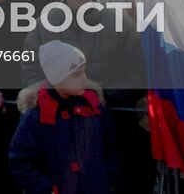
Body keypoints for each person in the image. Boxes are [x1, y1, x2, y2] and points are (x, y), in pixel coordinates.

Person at [9, 40, 118, 194]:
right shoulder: (36, 117)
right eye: (77, 75)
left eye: (84, 72)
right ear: (57, 79)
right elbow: (21, 160)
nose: (85, 79)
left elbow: (113, 145)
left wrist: (109, 180)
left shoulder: (94, 107)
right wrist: (45, 189)